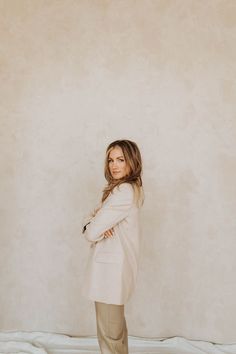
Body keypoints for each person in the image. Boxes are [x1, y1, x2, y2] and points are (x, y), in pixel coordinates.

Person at [82, 139, 144, 354]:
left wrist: (93, 224)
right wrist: (94, 222)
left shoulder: (124, 192)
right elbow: (91, 222)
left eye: (121, 159)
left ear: (132, 162)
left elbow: (90, 232)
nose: (114, 165)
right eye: (110, 160)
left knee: (110, 335)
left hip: (111, 274)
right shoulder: (120, 190)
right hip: (112, 272)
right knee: (115, 333)